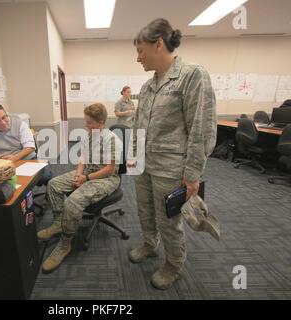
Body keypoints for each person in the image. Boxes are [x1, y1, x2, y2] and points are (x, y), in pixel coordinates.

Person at [128, 18, 217, 290]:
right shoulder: (148, 86)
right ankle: (149, 244)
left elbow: (201, 129)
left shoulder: (192, 75)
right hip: (144, 164)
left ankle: (174, 264)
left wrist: (192, 176)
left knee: (169, 220)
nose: (138, 58)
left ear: (158, 45)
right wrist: (133, 157)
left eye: (141, 50)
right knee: (145, 211)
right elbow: (137, 124)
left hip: (172, 168)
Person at [38, 103, 122, 274]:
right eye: (86, 121)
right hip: (88, 171)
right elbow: (83, 158)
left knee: (73, 201)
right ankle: (58, 222)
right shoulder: (89, 135)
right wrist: (78, 175)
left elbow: (110, 169)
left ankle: (65, 243)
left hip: (106, 178)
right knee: (53, 184)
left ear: (101, 122)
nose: (86, 125)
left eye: (89, 122)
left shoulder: (112, 139)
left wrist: (86, 179)